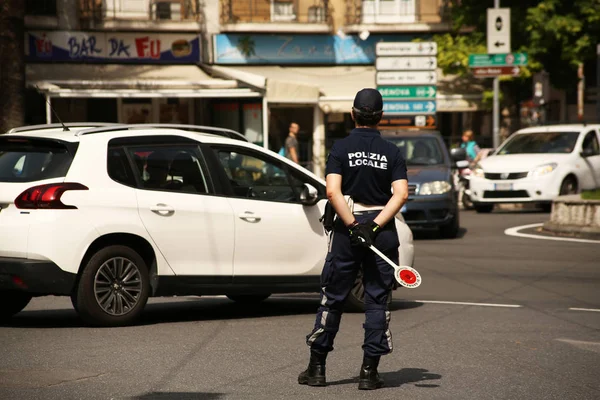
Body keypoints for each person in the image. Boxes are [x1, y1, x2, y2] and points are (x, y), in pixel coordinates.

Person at [298, 88, 409, 390]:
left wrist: (353, 225)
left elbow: (332, 191)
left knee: (332, 297)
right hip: (382, 229)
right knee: (377, 299)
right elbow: (401, 194)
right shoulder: (392, 152)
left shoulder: (341, 148)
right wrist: (373, 226)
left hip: (348, 231)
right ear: (381, 117)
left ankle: (317, 369)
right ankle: (369, 374)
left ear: (352, 114)